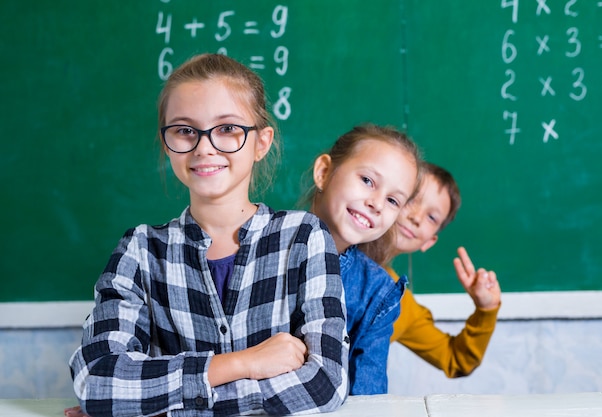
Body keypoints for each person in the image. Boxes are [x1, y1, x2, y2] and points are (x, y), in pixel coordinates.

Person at [68, 53, 349, 417]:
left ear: (261, 142)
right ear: (166, 141)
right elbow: (97, 379)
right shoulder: (140, 250)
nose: (204, 146)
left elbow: (325, 383)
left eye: (228, 129)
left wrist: (158, 407)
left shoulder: (303, 237)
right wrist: (243, 363)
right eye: (185, 130)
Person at [305, 124, 422, 395]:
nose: (377, 203)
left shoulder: (379, 294)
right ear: (324, 172)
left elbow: (369, 396)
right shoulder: (259, 247)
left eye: (393, 200)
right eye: (367, 181)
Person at [360, 162, 501, 378]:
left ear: (429, 242)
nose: (416, 217)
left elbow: (456, 359)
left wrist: (486, 310)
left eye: (431, 217)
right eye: (411, 199)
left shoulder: (401, 304)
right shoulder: (327, 247)